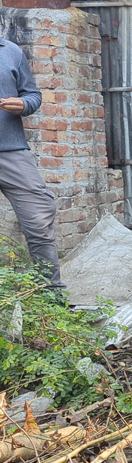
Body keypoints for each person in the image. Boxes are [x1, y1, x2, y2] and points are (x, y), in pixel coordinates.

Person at [0, 36, 63, 290]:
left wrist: (24, 104)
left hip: (11, 151)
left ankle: (52, 298)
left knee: (38, 221)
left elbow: (32, 94)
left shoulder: (11, 51)